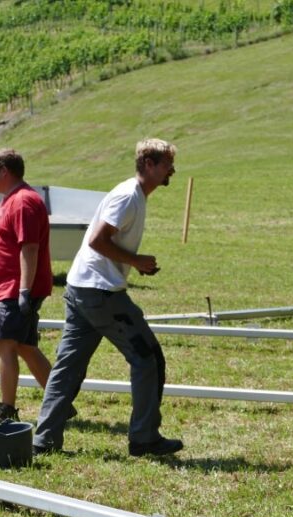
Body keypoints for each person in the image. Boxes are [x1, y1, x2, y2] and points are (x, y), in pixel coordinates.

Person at [33, 138, 183, 457]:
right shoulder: (129, 196)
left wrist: (131, 261)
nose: (173, 169)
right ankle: (144, 437)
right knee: (147, 358)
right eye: (167, 163)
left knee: (68, 367)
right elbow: (97, 241)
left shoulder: (134, 195)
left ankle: (44, 439)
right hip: (99, 292)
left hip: (81, 288)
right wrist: (136, 260)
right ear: (148, 165)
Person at [0, 148, 54, 424]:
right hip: (10, 288)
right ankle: (59, 401)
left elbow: (30, 248)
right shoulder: (11, 199)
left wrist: (24, 290)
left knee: (5, 344)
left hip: (17, 289)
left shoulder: (23, 201)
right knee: (24, 346)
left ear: (4, 171)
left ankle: (6, 409)